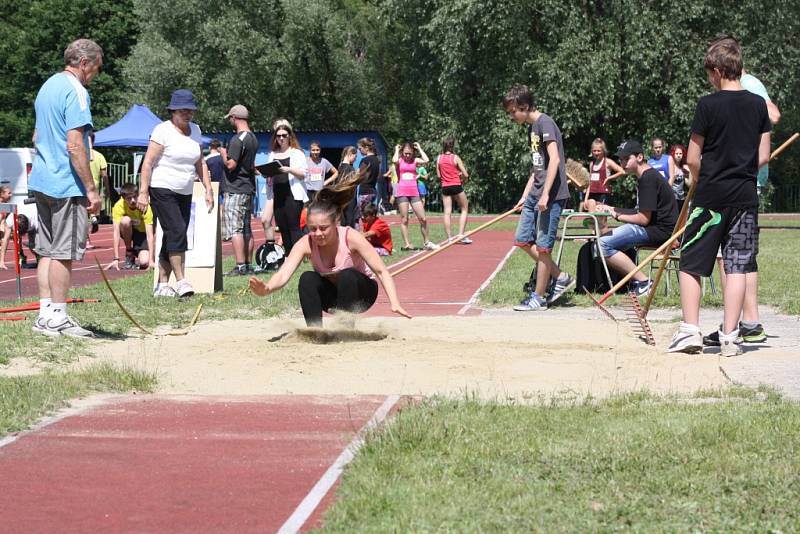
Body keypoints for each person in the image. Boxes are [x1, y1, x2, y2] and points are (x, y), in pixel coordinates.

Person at [667, 35, 771, 356]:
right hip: (744, 197)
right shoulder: (757, 104)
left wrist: (701, 178)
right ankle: (730, 336)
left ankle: (690, 331)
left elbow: (693, 158)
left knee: (691, 262)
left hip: (710, 197)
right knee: (738, 266)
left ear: (715, 70)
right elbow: (763, 155)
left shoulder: (707, 105)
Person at [248, 168, 409, 327]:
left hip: (362, 293)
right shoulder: (306, 242)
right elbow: (284, 273)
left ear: (336, 222)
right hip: (332, 296)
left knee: (347, 276)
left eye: (323, 228)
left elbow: (381, 271)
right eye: (312, 229)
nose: (317, 234)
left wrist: (394, 302)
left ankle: (345, 329)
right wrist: (267, 288)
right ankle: (315, 330)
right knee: (307, 278)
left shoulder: (350, 237)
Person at [27, 38, 104, 337]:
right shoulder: (77, 91)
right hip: (65, 183)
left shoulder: (47, 86)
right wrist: (91, 189)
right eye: (96, 68)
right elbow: (75, 145)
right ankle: (58, 315)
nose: (95, 74)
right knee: (63, 252)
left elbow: (36, 136)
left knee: (46, 250)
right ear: (84, 63)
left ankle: (46, 313)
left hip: (43, 179)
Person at [702, 69, 781, 348]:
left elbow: (773, 114)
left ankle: (734, 325)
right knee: (741, 257)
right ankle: (747, 323)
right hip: (741, 179)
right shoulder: (743, 87)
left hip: (741, 179)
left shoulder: (749, 85)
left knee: (731, 257)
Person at [503, 84, 575, 311]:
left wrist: (545, 194)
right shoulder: (531, 128)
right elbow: (537, 168)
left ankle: (539, 297)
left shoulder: (545, 123)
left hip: (551, 196)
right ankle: (560, 276)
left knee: (544, 247)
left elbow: (554, 160)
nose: (511, 116)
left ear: (524, 106)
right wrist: (526, 196)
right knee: (523, 239)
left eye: (513, 111)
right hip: (535, 193)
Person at [137, 89, 214, 298]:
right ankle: (181, 281)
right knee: (178, 231)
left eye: (190, 111)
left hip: (185, 190)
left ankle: (162, 285)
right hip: (162, 187)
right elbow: (148, 163)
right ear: (173, 111)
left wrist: (208, 189)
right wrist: (143, 192)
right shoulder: (162, 130)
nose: (187, 114)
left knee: (174, 234)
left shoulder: (195, 130)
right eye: (183, 110)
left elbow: (200, 161)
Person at [596, 140, 679, 297]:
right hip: (656, 228)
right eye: (621, 160)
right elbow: (640, 211)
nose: (623, 163)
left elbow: (643, 219)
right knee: (604, 242)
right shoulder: (648, 175)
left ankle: (643, 282)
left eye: (627, 159)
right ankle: (637, 282)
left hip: (661, 232)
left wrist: (617, 215)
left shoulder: (648, 179)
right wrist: (611, 208)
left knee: (603, 244)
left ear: (640, 157)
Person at [219, 104, 258, 276]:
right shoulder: (253, 138)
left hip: (236, 188)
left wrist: (222, 153)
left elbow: (231, 164)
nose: (230, 121)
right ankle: (248, 265)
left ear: (234, 117)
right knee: (247, 228)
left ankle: (240, 265)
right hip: (248, 187)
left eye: (230, 118)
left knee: (236, 229)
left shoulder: (238, 139)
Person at [265, 119, 308, 253]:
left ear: (290, 136)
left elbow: (303, 174)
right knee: (282, 226)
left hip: (293, 194)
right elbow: (269, 173)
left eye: (284, 135)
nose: (281, 138)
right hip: (277, 194)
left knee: (293, 226)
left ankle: (299, 254)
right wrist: (265, 173)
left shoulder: (297, 153)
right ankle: (289, 255)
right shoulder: (272, 154)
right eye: (278, 136)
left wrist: (289, 169)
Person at [391, 141, 439, 251]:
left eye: (409, 153)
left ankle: (427, 242)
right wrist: (397, 150)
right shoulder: (399, 160)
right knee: (404, 219)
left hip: (414, 193)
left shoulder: (415, 161)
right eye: (405, 153)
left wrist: (420, 148)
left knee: (423, 218)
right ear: (402, 152)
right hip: (402, 192)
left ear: (413, 153)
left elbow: (426, 160)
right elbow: (394, 160)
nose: (407, 155)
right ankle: (407, 244)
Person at [104, 183, 154, 271]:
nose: (133, 200)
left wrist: (151, 260)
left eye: (135, 197)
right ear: (123, 199)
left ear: (138, 195)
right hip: (128, 231)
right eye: (129, 198)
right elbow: (116, 233)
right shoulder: (118, 206)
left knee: (144, 262)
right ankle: (129, 252)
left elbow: (150, 234)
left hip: (142, 234)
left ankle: (143, 253)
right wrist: (116, 259)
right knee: (125, 220)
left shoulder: (145, 206)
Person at [436, 137, 472, 244]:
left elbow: (439, 176)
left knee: (447, 212)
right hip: (456, 185)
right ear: (452, 146)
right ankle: (461, 234)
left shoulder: (439, 158)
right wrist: (462, 178)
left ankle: (450, 238)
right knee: (465, 208)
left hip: (445, 187)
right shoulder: (455, 158)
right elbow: (466, 174)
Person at [585, 138, 625, 206]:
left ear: (603, 151)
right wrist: (586, 199)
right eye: (594, 151)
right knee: (592, 215)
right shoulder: (592, 164)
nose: (596, 153)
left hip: (603, 194)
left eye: (598, 151)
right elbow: (590, 182)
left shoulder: (607, 162)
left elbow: (622, 171)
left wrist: (609, 178)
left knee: (601, 214)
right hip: (592, 194)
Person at [337, 146, 359, 228]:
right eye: (355, 157)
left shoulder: (342, 166)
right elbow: (345, 183)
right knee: (349, 221)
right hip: (348, 197)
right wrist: (357, 176)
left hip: (346, 197)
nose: (355, 159)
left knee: (346, 220)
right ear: (350, 154)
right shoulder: (347, 168)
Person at [356, 137, 381, 211]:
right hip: (373, 191)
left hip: (365, 191)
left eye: (360, 149)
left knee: (364, 215)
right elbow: (378, 176)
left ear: (366, 148)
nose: (359, 151)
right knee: (371, 214)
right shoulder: (377, 160)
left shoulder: (365, 160)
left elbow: (360, 175)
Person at [668, 144, 690, 211]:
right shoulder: (670, 166)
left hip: (681, 198)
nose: (678, 155)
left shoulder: (683, 168)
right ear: (673, 154)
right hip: (672, 198)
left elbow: (688, 184)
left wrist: (691, 171)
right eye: (676, 153)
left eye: (680, 153)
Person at [205, 139, 226, 208]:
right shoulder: (224, 159)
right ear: (219, 148)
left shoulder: (206, 161)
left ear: (209, 147)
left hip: (212, 186)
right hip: (225, 185)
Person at [0, 185, 13, 269]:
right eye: (9, 193)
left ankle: (1, 262)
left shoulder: (5, 206)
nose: (11, 195)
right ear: (1, 194)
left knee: (5, 239)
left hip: (2, 231)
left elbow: (4, 221)